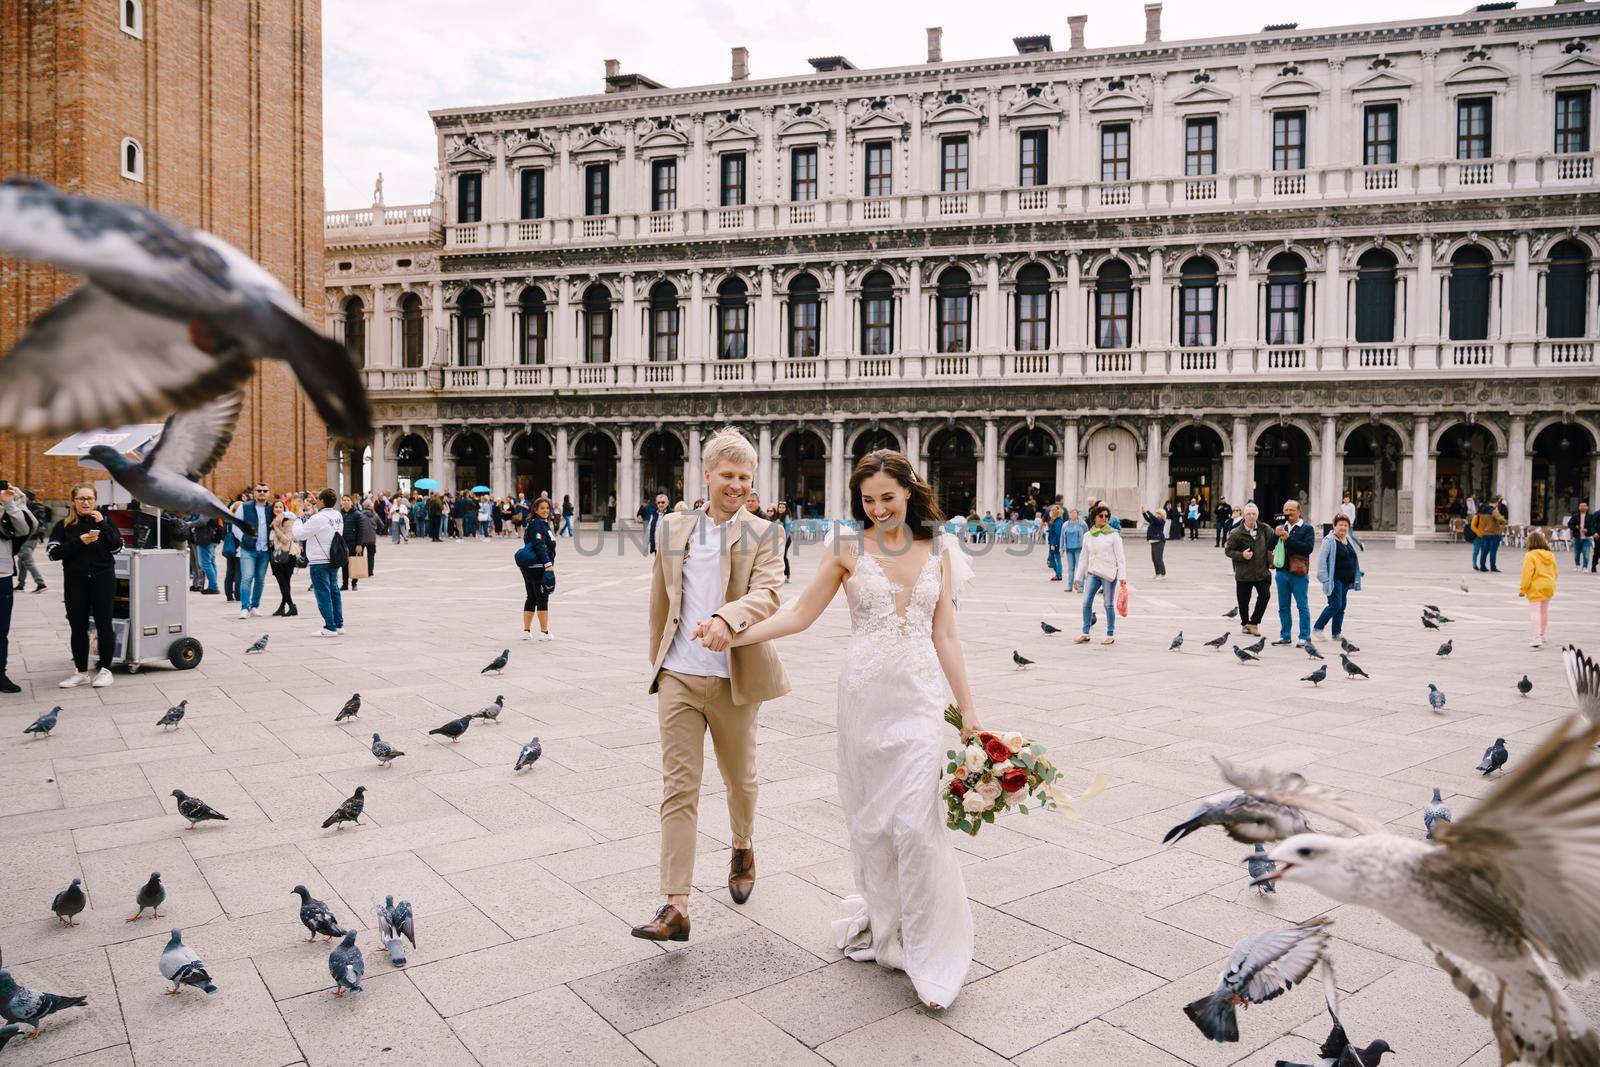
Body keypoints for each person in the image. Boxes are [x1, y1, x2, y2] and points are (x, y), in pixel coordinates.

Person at [723, 448, 976, 1010]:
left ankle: (930, 951)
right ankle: (890, 927)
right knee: (875, 827)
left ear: (909, 491)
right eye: (867, 500)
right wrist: (736, 634)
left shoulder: (938, 549)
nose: (879, 509)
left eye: (888, 497)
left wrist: (970, 714)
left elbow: (947, 637)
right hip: (865, 701)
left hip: (921, 701)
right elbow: (799, 613)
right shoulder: (844, 548)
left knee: (916, 824)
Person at [631, 430, 788, 952]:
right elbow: (661, 596)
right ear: (705, 475)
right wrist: (659, 658)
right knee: (679, 787)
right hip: (678, 673)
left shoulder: (765, 533)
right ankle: (676, 904)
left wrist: (727, 617)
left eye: (746, 478)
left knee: (740, 779)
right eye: (728, 476)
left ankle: (742, 845)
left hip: (732, 676)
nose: (738, 486)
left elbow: (768, 594)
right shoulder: (673, 527)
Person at [46, 484, 123, 688]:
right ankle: (81, 672)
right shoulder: (63, 526)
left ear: (96, 500)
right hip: (75, 580)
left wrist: (103, 525)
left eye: (89, 498)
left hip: (103, 578)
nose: (86, 502)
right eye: (81, 498)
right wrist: (79, 542)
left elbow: (116, 547)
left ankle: (106, 670)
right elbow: (53, 553)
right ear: (74, 501)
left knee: (104, 623)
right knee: (77, 626)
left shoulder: (106, 521)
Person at [1, 482, 41, 693]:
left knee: (1, 630)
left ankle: (0, 674)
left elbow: (23, 529)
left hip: (3, 574)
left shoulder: (8, 503)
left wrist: (9, 504)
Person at [293, 488, 345, 637]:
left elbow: (299, 534)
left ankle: (329, 627)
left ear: (322, 501)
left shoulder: (318, 518)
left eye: (318, 499)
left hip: (319, 560)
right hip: (333, 558)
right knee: (334, 590)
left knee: (322, 592)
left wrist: (297, 519)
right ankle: (338, 624)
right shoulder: (337, 515)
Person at [1073, 504, 1126, 645]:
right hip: (1093, 572)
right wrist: (1078, 577)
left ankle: (1110, 634)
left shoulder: (1114, 535)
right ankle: (1085, 633)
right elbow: (1083, 557)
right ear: (1094, 517)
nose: (1104, 518)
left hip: (1108, 574)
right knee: (1086, 602)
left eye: (1106, 516)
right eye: (1101, 516)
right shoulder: (1088, 536)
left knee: (1108, 604)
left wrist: (1122, 577)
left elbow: (1120, 558)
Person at [1272, 498, 1316, 647]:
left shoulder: (1307, 529)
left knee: (1302, 605)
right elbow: (1269, 546)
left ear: (1299, 512)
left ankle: (1304, 636)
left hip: (1298, 572)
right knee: (1283, 606)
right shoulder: (1280, 527)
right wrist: (1275, 534)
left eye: (1292, 510)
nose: (1289, 513)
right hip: (1281, 572)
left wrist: (1288, 539)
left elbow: (1307, 548)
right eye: (1286, 510)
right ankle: (1285, 635)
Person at [1224, 503, 1273, 636]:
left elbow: (1273, 543)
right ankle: (1245, 623)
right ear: (1244, 516)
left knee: (1265, 595)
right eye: (1249, 514)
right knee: (1243, 601)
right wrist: (1241, 555)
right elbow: (1228, 551)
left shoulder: (1265, 529)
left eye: (1254, 514)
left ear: (1257, 515)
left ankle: (1254, 622)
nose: (1251, 517)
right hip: (1244, 574)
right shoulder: (1236, 532)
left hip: (1262, 572)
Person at [1312, 513, 1363, 641]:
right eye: (1340, 525)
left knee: (1342, 606)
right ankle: (1318, 628)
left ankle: (1336, 633)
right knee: (1335, 605)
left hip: (1346, 579)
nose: (1343, 528)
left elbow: (1352, 557)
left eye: (1346, 525)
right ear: (1334, 526)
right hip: (1334, 579)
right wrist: (1325, 579)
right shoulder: (1328, 541)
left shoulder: (1348, 539)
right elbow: (1322, 561)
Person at [518, 496, 557, 640]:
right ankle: (544, 632)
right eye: (542, 508)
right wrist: (548, 564)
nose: (545, 510)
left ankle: (526, 631)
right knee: (542, 597)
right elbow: (539, 545)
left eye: (547, 508)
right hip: (538, 566)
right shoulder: (537, 525)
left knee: (532, 597)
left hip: (532, 566)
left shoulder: (538, 523)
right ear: (535, 509)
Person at [234, 483, 275, 619]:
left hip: (264, 550)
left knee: (260, 580)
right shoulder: (244, 507)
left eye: (265, 490)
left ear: (268, 493)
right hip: (248, 549)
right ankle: (244, 608)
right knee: (247, 578)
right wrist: (244, 539)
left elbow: (289, 517)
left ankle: (254, 606)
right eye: (259, 490)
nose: (262, 492)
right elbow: (236, 525)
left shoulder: (272, 508)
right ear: (254, 493)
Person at [1519, 529, 1558, 648]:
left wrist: (1522, 589)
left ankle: (1537, 637)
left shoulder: (1530, 555)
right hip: (1549, 585)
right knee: (1544, 611)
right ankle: (1542, 634)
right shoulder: (1550, 554)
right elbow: (1555, 571)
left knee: (1535, 611)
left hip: (1536, 586)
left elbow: (1527, 574)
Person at [13, 489, 48, 593]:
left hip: (27, 538)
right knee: (21, 562)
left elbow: (39, 524)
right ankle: (21, 584)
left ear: (27, 497)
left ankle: (41, 583)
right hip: (30, 538)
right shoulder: (35, 507)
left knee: (27, 561)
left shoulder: (30, 507)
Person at [268, 501, 300, 617]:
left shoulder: (288, 521)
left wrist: (276, 527)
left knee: (285, 582)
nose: (278, 509)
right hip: (274, 556)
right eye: (275, 507)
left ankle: (291, 606)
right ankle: (284, 607)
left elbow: (286, 539)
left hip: (287, 555)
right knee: (283, 583)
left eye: (280, 507)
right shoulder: (270, 521)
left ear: (284, 508)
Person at [221, 489, 245, 600]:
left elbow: (223, 535)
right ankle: (238, 595)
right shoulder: (239, 521)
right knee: (239, 572)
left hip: (229, 549)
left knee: (230, 572)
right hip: (239, 548)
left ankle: (228, 594)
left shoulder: (227, 520)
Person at [1058, 507, 1086, 585]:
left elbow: (1087, 535)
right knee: (1070, 568)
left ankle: (1080, 586)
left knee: (1079, 567)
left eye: (1074, 512)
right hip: (1069, 549)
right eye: (1070, 513)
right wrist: (1061, 549)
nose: (1072, 514)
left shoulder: (1082, 523)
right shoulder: (1065, 525)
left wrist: (1087, 547)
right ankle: (1070, 585)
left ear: (1077, 514)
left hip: (1079, 548)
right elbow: (1062, 537)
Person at [1141, 503, 1168, 579]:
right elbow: (1148, 518)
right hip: (1153, 540)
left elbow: (1153, 518)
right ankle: (1157, 573)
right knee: (1154, 558)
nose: (1156, 514)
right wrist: (1143, 512)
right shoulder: (1155, 521)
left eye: (1158, 513)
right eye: (1156, 513)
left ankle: (1163, 574)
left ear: (1161, 515)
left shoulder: (1161, 521)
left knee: (1158, 558)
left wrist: (1148, 510)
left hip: (1159, 540)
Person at [1568, 500, 1596, 571]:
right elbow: (1570, 524)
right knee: (1576, 553)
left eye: (1584, 506)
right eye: (1581, 506)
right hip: (1577, 537)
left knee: (1586, 553)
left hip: (1587, 538)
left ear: (1587, 507)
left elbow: (1593, 526)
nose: (1583, 507)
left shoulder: (1591, 516)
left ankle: (1585, 567)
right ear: (1579, 507)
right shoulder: (1575, 516)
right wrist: (1575, 527)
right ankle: (1577, 565)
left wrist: (1588, 530)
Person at [1045, 505, 1065, 582]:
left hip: (1055, 543)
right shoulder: (1056, 520)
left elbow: (1058, 533)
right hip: (1053, 542)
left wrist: (1054, 544)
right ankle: (1058, 574)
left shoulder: (1058, 521)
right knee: (1052, 559)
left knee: (1055, 559)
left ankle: (1059, 575)